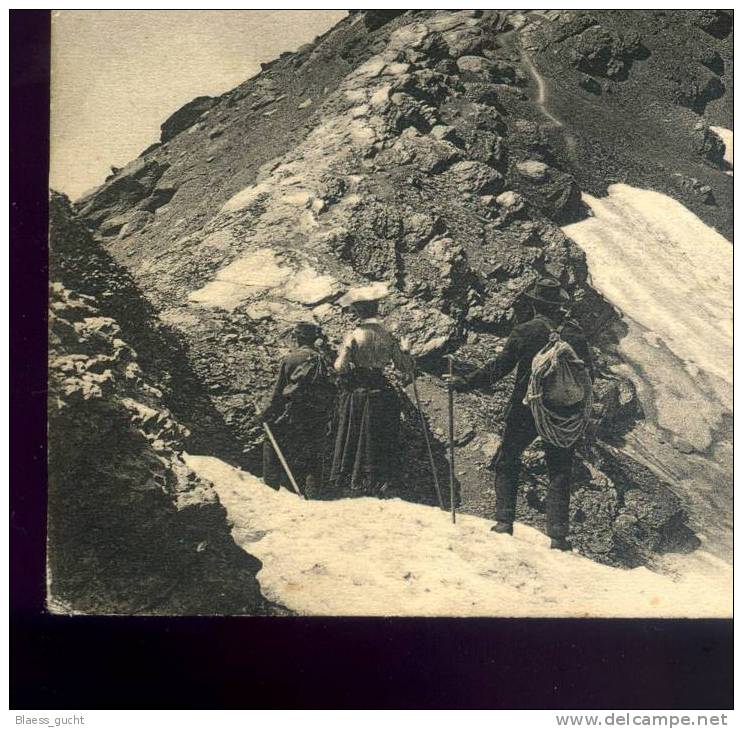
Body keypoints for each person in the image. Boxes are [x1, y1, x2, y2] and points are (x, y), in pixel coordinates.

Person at [448, 278, 594, 550]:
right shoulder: (575, 334)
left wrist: (465, 382)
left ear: (534, 304)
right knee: (560, 469)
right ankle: (558, 537)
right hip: (561, 413)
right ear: (558, 305)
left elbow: (498, 369)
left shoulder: (524, 332)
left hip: (526, 409)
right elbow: (587, 375)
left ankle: (504, 522)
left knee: (508, 459)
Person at [328, 285, 413, 498]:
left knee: (355, 433)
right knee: (380, 436)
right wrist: (406, 350)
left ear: (358, 311)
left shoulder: (354, 335)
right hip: (381, 390)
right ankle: (379, 481)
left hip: (359, 390)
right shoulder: (388, 335)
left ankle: (353, 481)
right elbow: (404, 367)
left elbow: (340, 367)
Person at [259, 321, 336, 498]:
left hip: (293, 416)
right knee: (314, 455)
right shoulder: (324, 360)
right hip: (318, 416)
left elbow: (278, 394)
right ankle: (313, 496)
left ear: (297, 338)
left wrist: (265, 415)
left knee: (271, 442)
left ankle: (270, 490)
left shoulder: (290, 359)